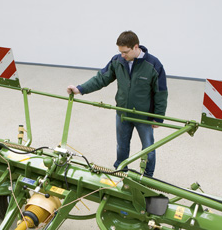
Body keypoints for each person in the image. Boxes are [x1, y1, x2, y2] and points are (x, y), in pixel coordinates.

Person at [67, 31, 167, 177]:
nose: (122, 55)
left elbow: (161, 93)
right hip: (122, 114)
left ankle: (147, 176)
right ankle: (120, 170)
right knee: (122, 146)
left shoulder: (153, 64)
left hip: (144, 116)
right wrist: (80, 89)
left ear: (136, 47)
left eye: (125, 52)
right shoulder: (118, 61)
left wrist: (158, 117)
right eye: (120, 52)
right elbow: (101, 78)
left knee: (148, 148)